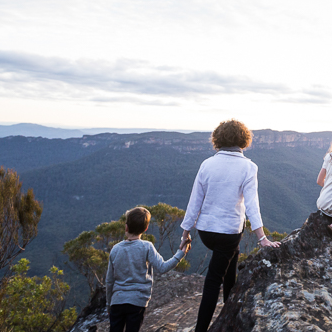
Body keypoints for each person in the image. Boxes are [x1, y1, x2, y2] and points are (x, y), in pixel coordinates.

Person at [181, 119, 281, 332]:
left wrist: (185, 232)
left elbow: (194, 200)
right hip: (228, 232)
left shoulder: (206, 164)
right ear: (244, 140)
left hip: (205, 231)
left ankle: (230, 305)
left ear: (218, 139)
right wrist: (262, 238)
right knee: (213, 280)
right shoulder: (248, 167)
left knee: (231, 260)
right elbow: (252, 205)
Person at [105, 206, 190, 332]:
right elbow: (163, 267)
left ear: (126, 227)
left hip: (117, 301)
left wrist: (108, 304)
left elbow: (109, 281)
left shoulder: (116, 249)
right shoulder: (146, 247)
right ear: (145, 229)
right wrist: (181, 253)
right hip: (137, 302)